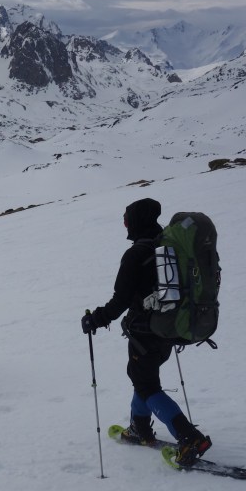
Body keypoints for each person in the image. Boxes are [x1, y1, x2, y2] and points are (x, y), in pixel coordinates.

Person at [80, 198, 212, 466]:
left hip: (146, 331)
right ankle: (139, 427)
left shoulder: (136, 254)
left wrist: (95, 320)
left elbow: (120, 300)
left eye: (126, 220)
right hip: (170, 328)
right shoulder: (167, 247)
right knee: (143, 378)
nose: (125, 225)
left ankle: (189, 438)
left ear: (135, 221)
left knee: (146, 384)